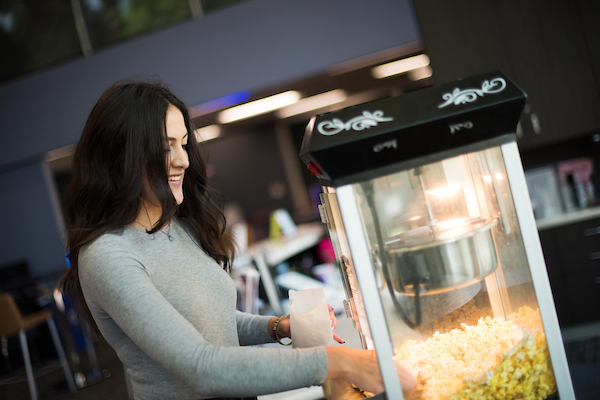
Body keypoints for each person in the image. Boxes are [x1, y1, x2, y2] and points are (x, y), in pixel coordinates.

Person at [59, 79, 416, 400]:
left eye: (184, 144)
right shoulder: (108, 255)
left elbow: (214, 323)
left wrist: (276, 327)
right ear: (122, 153)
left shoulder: (176, 227)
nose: (183, 160)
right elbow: (202, 367)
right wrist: (339, 362)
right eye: (167, 146)